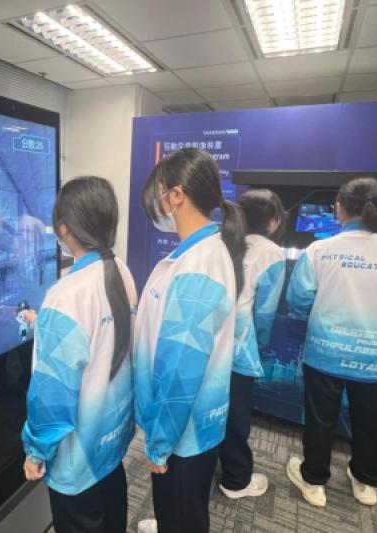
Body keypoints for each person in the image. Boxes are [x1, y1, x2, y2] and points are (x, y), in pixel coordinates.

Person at [285, 177, 377, 508]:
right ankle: (366, 482)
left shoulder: (318, 251)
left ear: (338, 208)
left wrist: (313, 316)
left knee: (320, 419)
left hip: (325, 352)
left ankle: (314, 481)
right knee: (372, 421)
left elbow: (298, 299)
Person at [134, 148, 246, 533]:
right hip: (187, 424)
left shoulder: (199, 264)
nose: (156, 205)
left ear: (176, 195)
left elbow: (181, 367)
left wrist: (160, 441)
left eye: (158, 194)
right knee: (181, 512)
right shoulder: (201, 252)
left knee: (182, 513)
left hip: (182, 430)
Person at [21, 176, 138, 533]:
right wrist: (46, 323)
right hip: (111, 440)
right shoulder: (120, 270)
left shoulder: (65, 295)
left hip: (78, 460)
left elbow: (52, 395)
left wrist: (36, 450)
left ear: (63, 228)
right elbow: (100, 336)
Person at [218, 189, 287, 500]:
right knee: (236, 415)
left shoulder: (219, 240)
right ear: (273, 221)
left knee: (205, 407)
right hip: (238, 348)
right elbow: (265, 312)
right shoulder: (271, 252)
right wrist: (259, 343)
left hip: (206, 343)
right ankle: (235, 479)